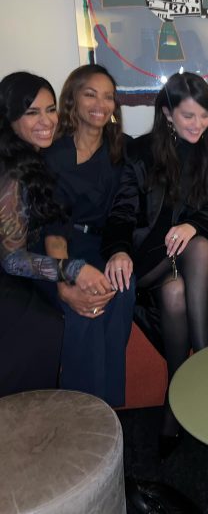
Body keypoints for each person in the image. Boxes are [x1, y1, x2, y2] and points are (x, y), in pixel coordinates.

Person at [101, 72, 208, 456]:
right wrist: (119, 250)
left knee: (178, 289)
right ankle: (204, 359)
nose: (198, 124)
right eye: (189, 116)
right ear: (167, 113)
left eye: (205, 115)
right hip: (148, 257)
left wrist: (195, 225)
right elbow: (122, 212)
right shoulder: (141, 152)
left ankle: (174, 404)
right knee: (197, 252)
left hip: (185, 264)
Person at [0, 71, 111, 397]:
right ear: (9, 118)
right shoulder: (11, 173)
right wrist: (73, 269)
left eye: (50, 110)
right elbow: (12, 260)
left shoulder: (32, 156)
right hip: (8, 280)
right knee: (44, 329)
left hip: (22, 273)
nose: (46, 121)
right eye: (32, 112)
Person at [39, 64, 135, 407]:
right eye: (91, 94)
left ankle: (109, 408)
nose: (101, 104)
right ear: (73, 99)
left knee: (122, 289)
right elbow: (53, 230)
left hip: (103, 244)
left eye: (108, 97)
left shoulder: (122, 150)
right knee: (85, 307)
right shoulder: (51, 152)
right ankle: (80, 410)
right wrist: (65, 279)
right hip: (57, 247)